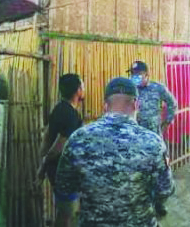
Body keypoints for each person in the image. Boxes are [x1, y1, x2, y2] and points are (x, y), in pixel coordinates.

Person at [54, 77, 175, 227]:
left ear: (105, 106)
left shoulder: (78, 139)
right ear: (136, 104)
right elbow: (165, 190)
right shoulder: (153, 143)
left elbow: (63, 187)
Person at [128, 60, 177, 216]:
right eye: (132, 74)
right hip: (136, 139)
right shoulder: (130, 90)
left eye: (138, 74)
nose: (134, 77)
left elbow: (172, 103)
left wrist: (167, 122)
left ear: (146, 75)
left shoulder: (157, 88)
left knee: (159, 170)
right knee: (139, 170)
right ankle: (142, 203)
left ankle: (159, 203)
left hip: (155, 138)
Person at [37, 73, 84, 187]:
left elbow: (46, 138)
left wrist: (43, 164)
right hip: (65, 173)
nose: (84, 89)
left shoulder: (58, 109)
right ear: (78, 90)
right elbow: (59, 146)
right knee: (67, 204)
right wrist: (43, 165)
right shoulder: (70, 115)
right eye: (82, 86)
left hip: (56, 171)